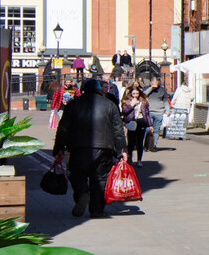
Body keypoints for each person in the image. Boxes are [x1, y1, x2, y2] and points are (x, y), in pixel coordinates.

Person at [52, 73, 127, 219]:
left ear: (84, 89)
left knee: (77, 174)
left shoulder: (73, 104)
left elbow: (63, 128)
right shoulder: (110, 105)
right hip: (104, 148)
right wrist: (121, 150)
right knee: (100, 179)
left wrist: (59, 147)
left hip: (78, 147)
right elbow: (118, 130)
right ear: (99, 90)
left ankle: (82, 194)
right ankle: (97, 210)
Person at [122, 87, 151, 164]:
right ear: (131, 93)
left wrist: (150, 125)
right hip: (131, 122)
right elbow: (124, 112)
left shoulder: (143, 101)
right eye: (134, 93)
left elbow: (147, 114)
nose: (135, 95)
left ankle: (139, 160)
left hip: (141, 121)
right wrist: (132, 105)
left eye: (137, 93)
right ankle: (130, 158)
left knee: (140, 142)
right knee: (131, 142)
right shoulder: (126, 101)